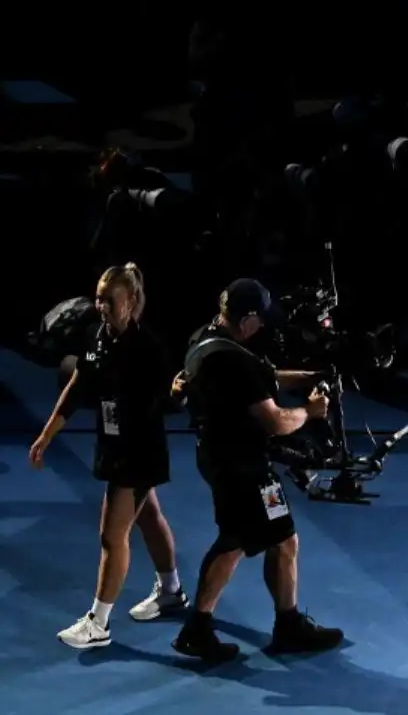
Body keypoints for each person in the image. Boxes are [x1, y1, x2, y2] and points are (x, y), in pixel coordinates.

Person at [169, 279, 343, 661]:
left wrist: (310, 376)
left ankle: (282, 623)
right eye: (259, 320)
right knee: (245, 541)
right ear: (246, 319)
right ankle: (206, 628)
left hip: (219, 456)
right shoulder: (232, 360)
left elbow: (263, 375)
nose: (262, 326)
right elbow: (276, 420)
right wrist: (310, 412)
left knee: (268, 539)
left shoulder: (207, 339)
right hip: (242, 465)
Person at [29, 264, 188, 648]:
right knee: (149, 517)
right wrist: (47, 434)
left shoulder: (147, 347)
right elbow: (79, 384)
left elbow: (165, 400)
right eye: (98, 297)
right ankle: (171, 591)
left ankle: (98, 623)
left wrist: (176, 393)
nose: (100, 306)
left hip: (138, 452)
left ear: (131, 301)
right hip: (115, 445)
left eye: (108, 299)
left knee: (111, 536)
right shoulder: (99, 336)